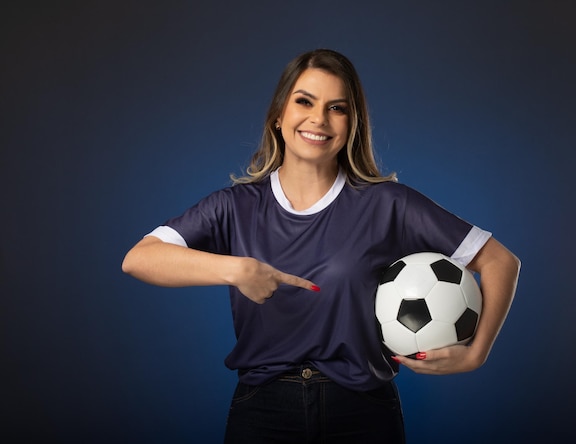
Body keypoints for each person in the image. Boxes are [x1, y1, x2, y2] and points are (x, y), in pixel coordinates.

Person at [122, 48, 520, 443]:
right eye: (304, 102)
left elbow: (501, 261)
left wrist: (476, 353)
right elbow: (139, 258)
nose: (319, 119)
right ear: (279, 116)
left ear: (351, 125)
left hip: (362, 410)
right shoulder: (235, 206)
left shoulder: (387, 204)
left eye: (337, 108)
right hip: (263, 410)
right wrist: (235, 269)